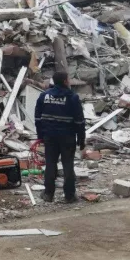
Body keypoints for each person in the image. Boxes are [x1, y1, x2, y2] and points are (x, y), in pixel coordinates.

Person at [34, 72, 85, 203]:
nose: (69, 81)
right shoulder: (72, 97)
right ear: (64, 81)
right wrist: (81, 138)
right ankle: (69, 195)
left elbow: (38, 119)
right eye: (68, 79)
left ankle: (48, 194)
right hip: (67, 137)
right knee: (68, 165)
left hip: (49, 137)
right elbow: (79, 121)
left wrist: (40, 136)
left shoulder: (44, 96)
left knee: (50, 164)